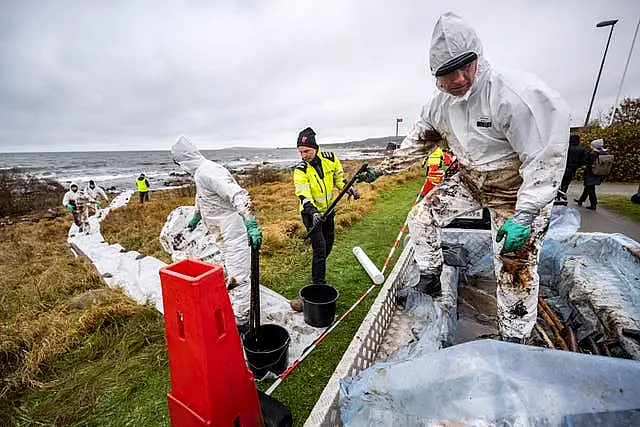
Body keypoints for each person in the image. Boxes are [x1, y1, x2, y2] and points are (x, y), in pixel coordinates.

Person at [356, 12, 569, 343]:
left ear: (478, 57)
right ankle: (430, 275)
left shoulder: (514, 95)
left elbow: (545, 159)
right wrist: (382, 168)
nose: (457, 79)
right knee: (421, 216)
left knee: (515, 266)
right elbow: (417, 143)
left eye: (464, 66)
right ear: (435, 76)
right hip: (471, 180)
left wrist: (526, 214)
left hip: (516, 193)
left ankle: (516, 338)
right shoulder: (439, 107)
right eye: (446, 74)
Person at [170, 136, 262, 326]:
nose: (181, 169)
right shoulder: (199, 174)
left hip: (233, 231)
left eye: (179, 164)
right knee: (229, 271)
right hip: (221, 233)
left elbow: (239, 195)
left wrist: (251, 224)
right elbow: (202, 196)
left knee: (240, 277)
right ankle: (236, 309)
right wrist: (196, 216)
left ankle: (242, 322)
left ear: (185, 160)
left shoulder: (209, 171)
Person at [290, 127, 360, 310]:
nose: (304, 155)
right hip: (311, 214)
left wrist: (348, 188)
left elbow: (339, 179)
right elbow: (303, 194)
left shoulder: (330, 158)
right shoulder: (300, 170)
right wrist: (313, 212)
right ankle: (318, 285)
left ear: (315, 147)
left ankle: (317, 272)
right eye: (300, 152)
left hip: (329, 211)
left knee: (328, 244)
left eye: (307, 151)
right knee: (320, 249)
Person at [575, 139, 609, 211]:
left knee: (591, 188)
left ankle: (593, 204)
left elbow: (585, 161)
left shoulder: (592, 154)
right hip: (599, 173)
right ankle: (581, 200)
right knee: (588, 187)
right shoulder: (605, 153)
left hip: (591, 173)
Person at [557, 134, 587, 200]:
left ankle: (557, 194)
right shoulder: (582, 149)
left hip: (562, 167)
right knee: (566, 182)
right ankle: (562, 193)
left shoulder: (566, 148)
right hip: (572, 168)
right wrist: (577, 165)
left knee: (559, 181)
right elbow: (584, 160)